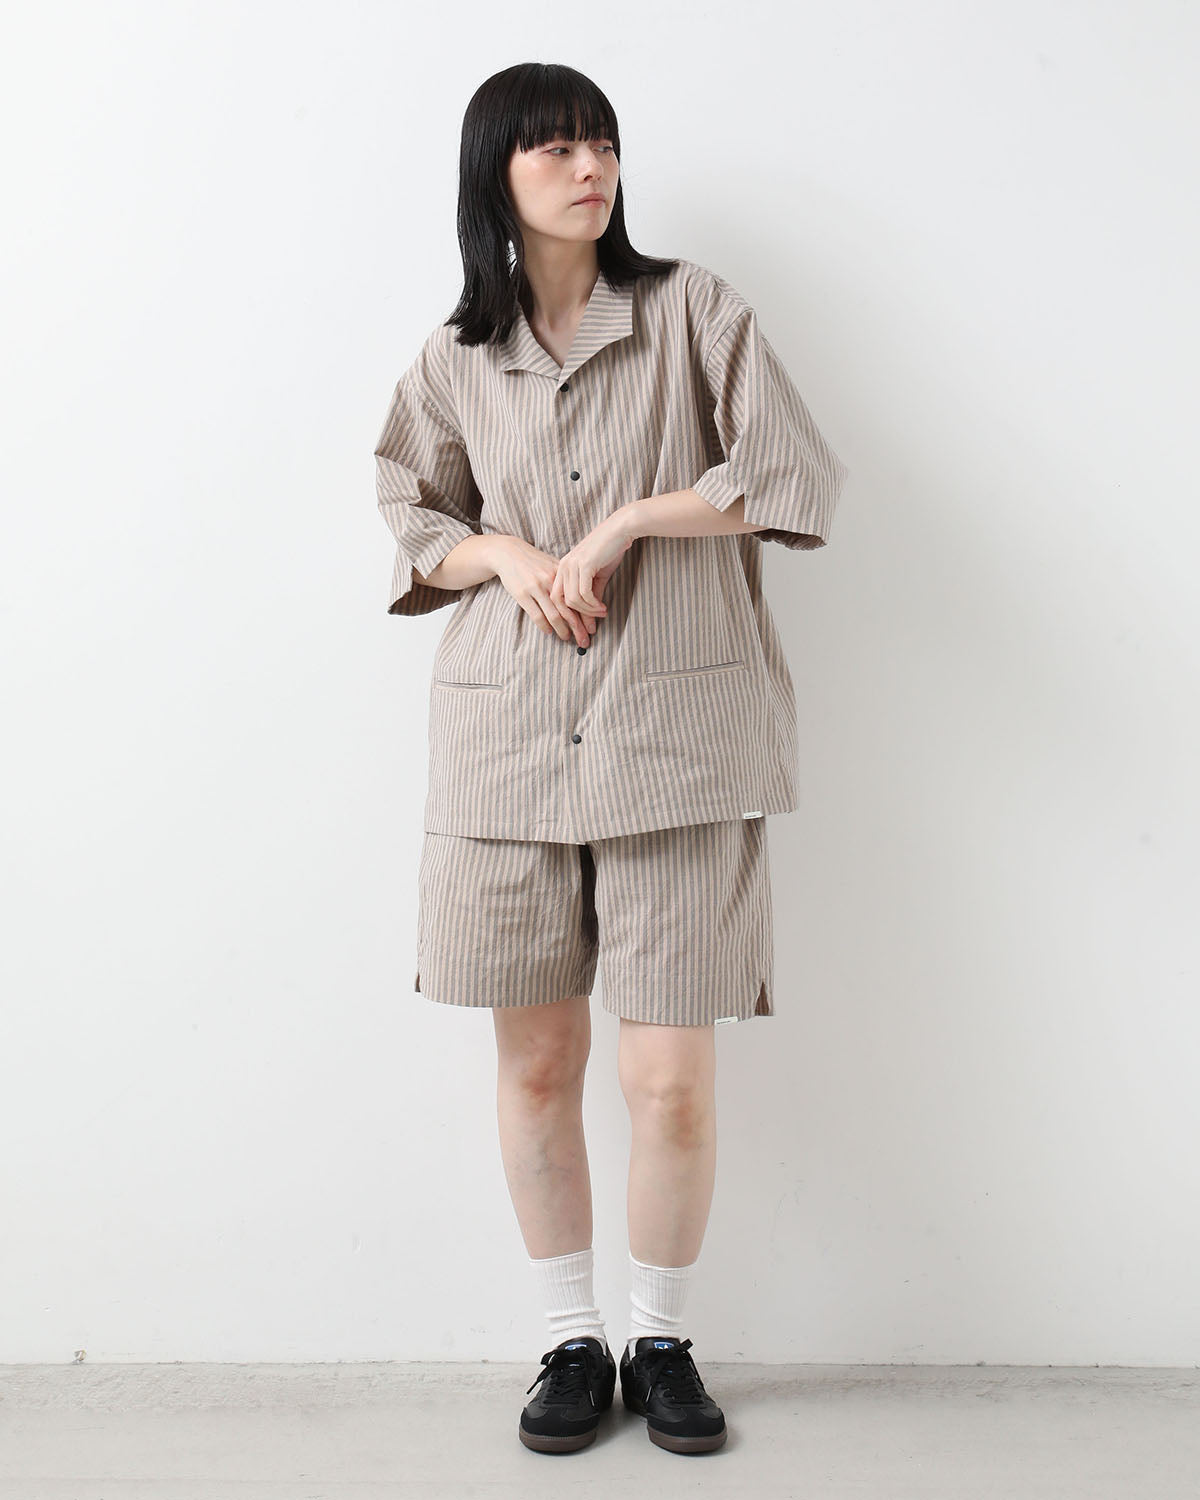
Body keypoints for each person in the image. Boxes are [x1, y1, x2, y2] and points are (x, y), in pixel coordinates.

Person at [372, 62, 848, 1456]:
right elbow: (410, 512)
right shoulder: (455, 357)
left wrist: (631, 519)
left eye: (603, 146)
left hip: (676, 743)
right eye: (557, 150)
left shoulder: (697, 311)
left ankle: (664, 1338)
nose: (591, 170)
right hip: (509, 747)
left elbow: (794, 471)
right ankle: (570, 1339)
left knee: (669, 1080)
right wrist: (503, 552)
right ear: (497, 176)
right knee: (536, 1066)